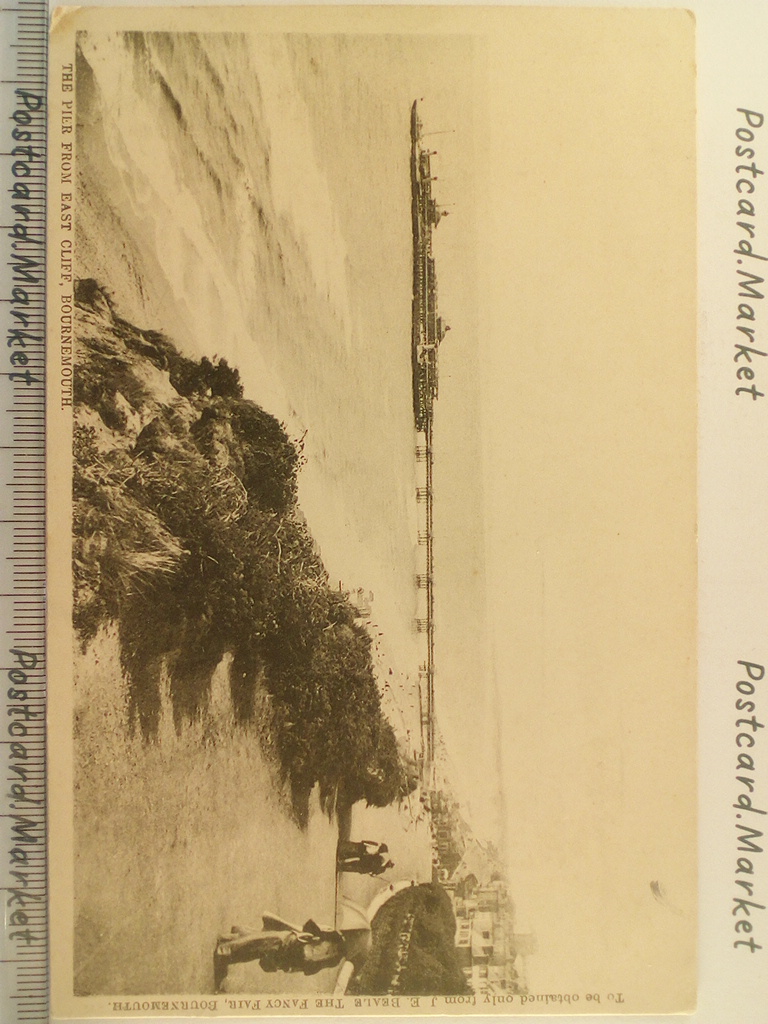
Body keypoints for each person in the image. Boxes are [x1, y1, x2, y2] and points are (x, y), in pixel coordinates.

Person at [214, 915, 345, 991]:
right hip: (286, 942)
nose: (329, 951)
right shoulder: (322, 937)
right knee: (255, 945)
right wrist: (314, 936)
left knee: (256, 949)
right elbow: (309, 928)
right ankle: (224, 952)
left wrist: (286, 968)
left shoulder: (324, 961)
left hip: (283, 958)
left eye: (332, 953)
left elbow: (302, 968)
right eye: (331, 947)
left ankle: (232, 937)